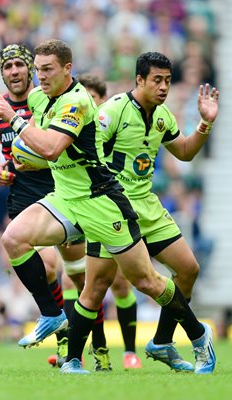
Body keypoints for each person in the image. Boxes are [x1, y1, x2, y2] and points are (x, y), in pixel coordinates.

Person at [0, 40, 217, 376]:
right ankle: (52, 315)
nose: (40, 77)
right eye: (38, 69)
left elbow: (50, 149)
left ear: (67, 69)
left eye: (47, 70)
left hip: (100, 201)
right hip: (65, 197)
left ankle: (198, 333)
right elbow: (17, 136)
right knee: (13, 239)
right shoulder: (38, 97)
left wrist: (17, 125)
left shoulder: (77, 101)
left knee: (146, 281)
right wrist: (9, 152)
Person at [86, 52, 219, 373]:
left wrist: (205, 122)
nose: (163, 87)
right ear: (139, 80)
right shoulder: (114, 109)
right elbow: (90, 149)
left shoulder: (163, 116)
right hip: (113, 208)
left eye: (168, 81)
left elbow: (185, 152)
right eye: (157, 80)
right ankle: (74, 356)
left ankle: (161, 341)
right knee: (96, 286)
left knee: (188, 269)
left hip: (147, 206)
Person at [0, 44, 68, 365]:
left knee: (78, 276)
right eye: (8, 66)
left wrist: (37, 157)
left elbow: (57, 147)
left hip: (64, 192)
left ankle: (85, 343)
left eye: (19, 64)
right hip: (23, 197)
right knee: (46, 268)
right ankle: (60, 329)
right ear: (2, 72)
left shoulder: (49, 103)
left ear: (31, 69)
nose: (14, 71)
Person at [58, 72, 142, 369]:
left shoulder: (108, 129)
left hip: (110, 207)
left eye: (92, 100)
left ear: (101, 103)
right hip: (83, 208)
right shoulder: (69, 129)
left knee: (118, 284)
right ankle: (81, 350)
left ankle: (129, 352)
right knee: (76, 280)